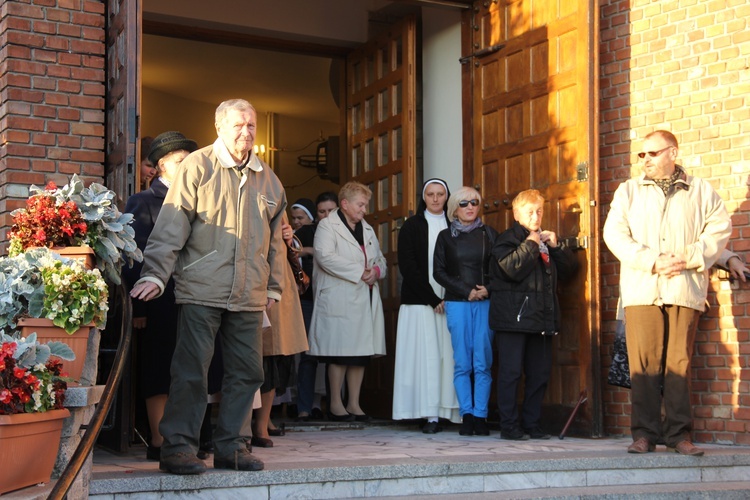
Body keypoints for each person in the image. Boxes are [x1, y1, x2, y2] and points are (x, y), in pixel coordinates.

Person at [129, 98, 287, 474]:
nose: (246, 132)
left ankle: (233, 447)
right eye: (238, 125)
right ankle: (178, 448)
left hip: (249, 293)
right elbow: (172, 222)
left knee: (247, 372)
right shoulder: (197, 166)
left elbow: (275, 240)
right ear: (219, 128)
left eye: (251, 125)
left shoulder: (269, 178)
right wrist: (154, 273)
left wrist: (274, 286)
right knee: (191, 370)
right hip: (202, 287)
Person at [603, 130, 731, 456]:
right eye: (641, 155)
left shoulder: (701, 191)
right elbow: (614, 234)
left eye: (653, 153)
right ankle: (644, 434)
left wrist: (689, 257)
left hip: (684, 289)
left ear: (672, 152)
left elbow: (718, 231)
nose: (645, 160)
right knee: (643, 366)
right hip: (642, 289)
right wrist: (653, 261)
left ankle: (679, 435)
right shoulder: (628, 191)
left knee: (679, 364)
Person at [123, 131, 222, 461]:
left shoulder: (202, 200)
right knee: (160, 367)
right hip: (159, 301)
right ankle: (158, 439)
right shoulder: (143, 201)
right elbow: (135, 256)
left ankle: (194, 435)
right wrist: (139, 305)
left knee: (199, 366)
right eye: (181, 161)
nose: (188, 166)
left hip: (197, 296)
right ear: (162, 165)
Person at [489, 189, 578, 441]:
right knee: (510, 374)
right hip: (513, 320)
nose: (536, 216)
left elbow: (570, 271)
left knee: (539, 374)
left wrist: (556, 247)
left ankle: (532, 424)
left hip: (542, 320)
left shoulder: (546, 240)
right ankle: (509, 426)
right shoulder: (506, 240)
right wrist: (531, 243)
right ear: (516, 214)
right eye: (530, 211)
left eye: (539, 211)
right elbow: (511, 268)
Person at [307, 181, 386, 421]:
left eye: (365, 205)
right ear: (345, 204)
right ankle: (335, 404)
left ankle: (354, 403)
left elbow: (381, 259)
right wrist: (359, 271)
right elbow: (324, 257)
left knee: (360, 354)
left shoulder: (368, 229)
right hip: (339, 296)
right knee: (339, 353)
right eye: (361, 204)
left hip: (363, 296)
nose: (364, 209)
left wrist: (376, 271)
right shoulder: (327, 227)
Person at [392, 179, 461, 432]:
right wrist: (433, 298)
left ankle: (447, 411)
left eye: (440, 194)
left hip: (450, 301)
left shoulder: (455, 226)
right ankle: (428, 413)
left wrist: (449, 297)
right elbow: (409, 267)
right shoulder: (411, 226)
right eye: (430, 194)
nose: (435, 199)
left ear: (447, 196)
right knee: (426, 358)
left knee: (448, 358)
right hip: (421, 302)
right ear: (424, 197)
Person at [433, 186, 498, 436]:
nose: (470, 207)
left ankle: (481, 415)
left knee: (483, 361)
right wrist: (466, 291)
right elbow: (438, 272)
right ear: (454, 209)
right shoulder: (445, 237)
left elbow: (500, 269)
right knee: (462, 362)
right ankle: (467, 415)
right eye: (464, 204)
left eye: (474, 202)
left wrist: (487, 289)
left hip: (484, 303)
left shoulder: (489, 234)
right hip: (458, 303)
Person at [251, 214, 309, 448]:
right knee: (257, 355)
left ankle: (263, 422)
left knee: (277, 356)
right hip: (256, 273)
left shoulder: (275, 194)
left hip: (281, 279)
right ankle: (250, 424)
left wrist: (287, 236)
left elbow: (288, 238)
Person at [294, 192, 339, 421]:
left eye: (331, 210)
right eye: (322, 212)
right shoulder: (305, 232)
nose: (327, 215)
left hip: (335, 300)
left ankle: (335, 406)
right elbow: (292, 252)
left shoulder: (345, 231)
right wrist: (311, 251)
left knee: (336, 355)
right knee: (308, 355)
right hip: (308, 299)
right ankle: (303, 407)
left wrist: (312, 252)